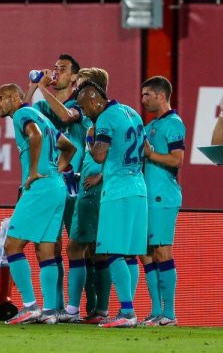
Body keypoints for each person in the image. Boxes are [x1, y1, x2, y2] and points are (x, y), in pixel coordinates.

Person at [0, 84, 76, 325]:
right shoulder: (43, 117)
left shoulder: (22, 114)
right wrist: (55, 171)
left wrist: (32, 172)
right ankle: (50, 311)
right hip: (56, 186)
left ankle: (30, 307)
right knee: (45, 250)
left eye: (0, 98)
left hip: (39, 188)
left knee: (12, 245)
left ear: (13, 98)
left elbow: (36, 135)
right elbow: (70, 148)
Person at [75, 80, 147, 328]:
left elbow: (99, 154)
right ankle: (128, 309)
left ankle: (127, 312)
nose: (85, 113)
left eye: (85, 108)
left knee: (111, 250)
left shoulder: (105, 118)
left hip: (117, 192)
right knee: (129, 254)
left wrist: (89, 139)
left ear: (95, 100)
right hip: (139, 188)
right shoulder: (132, 112)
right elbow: (138, 150)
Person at [53, 68, 111, 324]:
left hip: (93, 190)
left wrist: (100, 176)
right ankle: (96, 309)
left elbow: (112, 153)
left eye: (81, 84)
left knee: (82, 248)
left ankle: (82, 309)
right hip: (86, 186)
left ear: (93, 90)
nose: (77, 89)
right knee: (92, 251)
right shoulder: (99, 119)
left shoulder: (104, 120)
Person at [27, 54, 83, 311]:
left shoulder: (80, 102)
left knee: (80, 246)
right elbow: (25, 116)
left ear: (74, 77)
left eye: (63, 69)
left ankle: (81, 307)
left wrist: (41, 90)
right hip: (52, 184)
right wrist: (32, 89)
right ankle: (57, 307)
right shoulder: (43, 107)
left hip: (79, 183)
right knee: (53, 244)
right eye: (55, 68)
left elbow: (67, 117)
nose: (56, 72)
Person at [138, 76, 185, 327]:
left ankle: (170, 313)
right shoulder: (150, 126)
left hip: (162, 195)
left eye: (147, 95)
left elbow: (178, 160)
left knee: (162, 251)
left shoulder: (173, 123)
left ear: (161, 96)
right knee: (146, 252)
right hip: (147, 195)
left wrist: (151, 153)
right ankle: (156, 311)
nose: (143, 99)